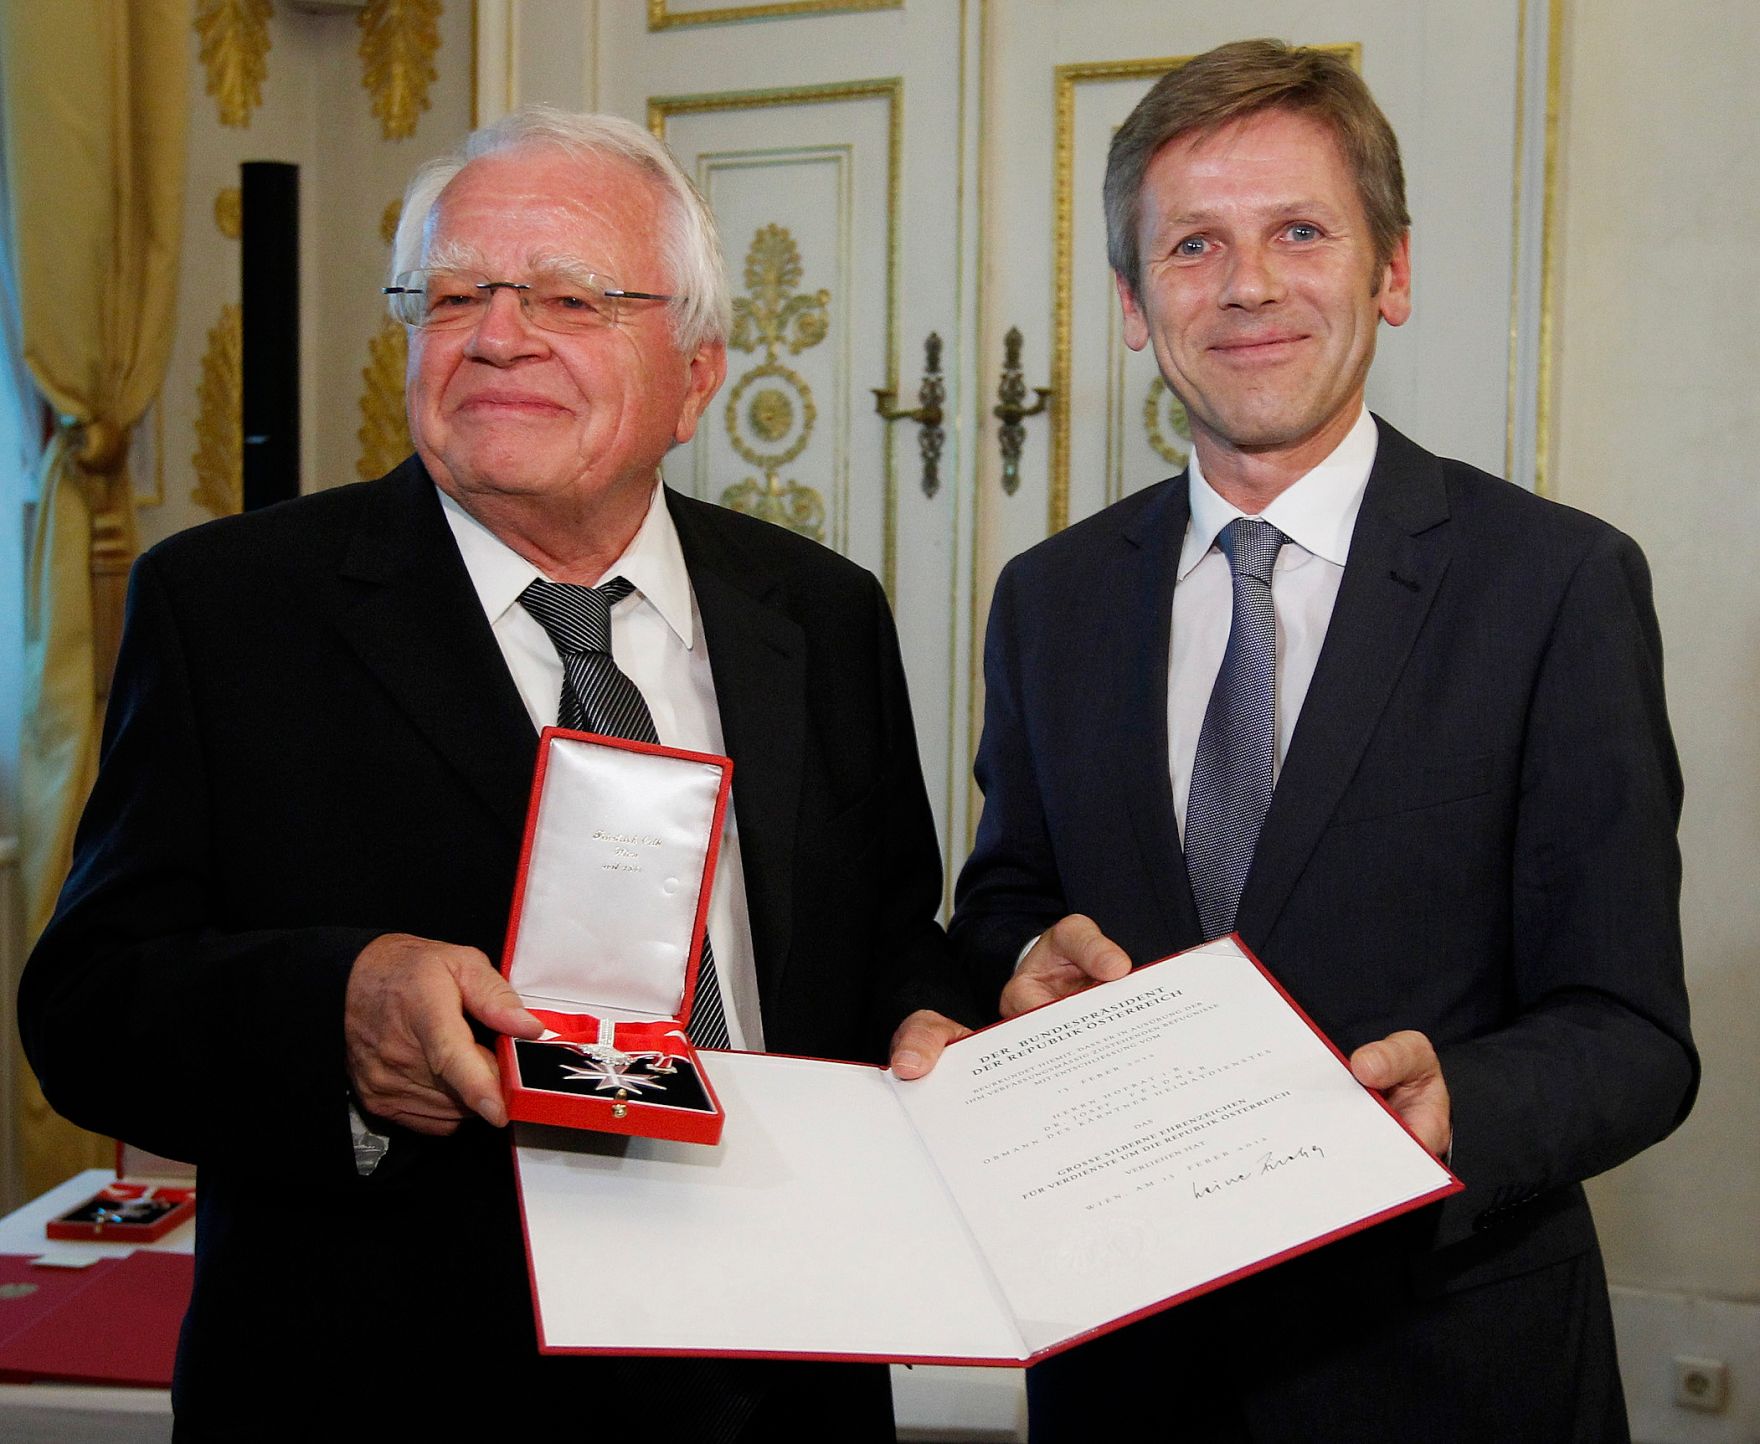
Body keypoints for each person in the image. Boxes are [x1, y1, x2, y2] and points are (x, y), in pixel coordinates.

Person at [20, 107, 960, 1440]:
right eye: (454, 292)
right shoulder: (232, 611)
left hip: (780, 1380)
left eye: (568, 296)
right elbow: (86, 1008)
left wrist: (940, 1021)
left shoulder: (818, 612)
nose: (498, 333)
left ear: (698, 374)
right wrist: (334, 1010)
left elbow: (884, 944)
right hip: (403, 1389)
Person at [891, 38, 1696, 1442]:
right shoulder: (1051, 600)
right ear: (1135, 305)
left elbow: (1632, 1032)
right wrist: (1021, 959)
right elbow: (1005, 895)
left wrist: (1462, 1109)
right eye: (1194, 245)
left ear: (1390, 270)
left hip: (1446, 1364)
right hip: (1123, 1369)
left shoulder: (1556, 586)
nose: (1248, 284)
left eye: (1299, 232)